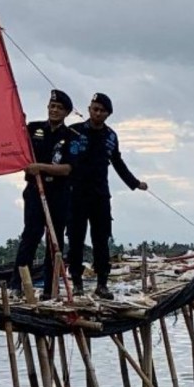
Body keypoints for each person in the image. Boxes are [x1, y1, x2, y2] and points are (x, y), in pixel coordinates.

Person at [67, 93, 148, 299]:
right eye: (95, 109)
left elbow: (118, 162)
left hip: (100, 195)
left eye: (102, 111)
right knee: (75, 239)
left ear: (108, 114)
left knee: (101, 239)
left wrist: (135, 183)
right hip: (76, 194)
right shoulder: (74, 131)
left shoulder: (111, 136)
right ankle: (76, 282)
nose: (98, 113)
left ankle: (102, 284)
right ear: (89, 109)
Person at [8, 89, 74, 297]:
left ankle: (50, 289)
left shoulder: (71, 137)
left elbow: (67, 168)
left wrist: (41, 167)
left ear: (66, 113)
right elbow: (17, 145)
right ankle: (17, 285)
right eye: (51, 106)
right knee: (31, 235)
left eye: (59, 108)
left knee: (54, 242)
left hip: (59, 193)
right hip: (35, 191)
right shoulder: (34, 129)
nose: (54, 110)